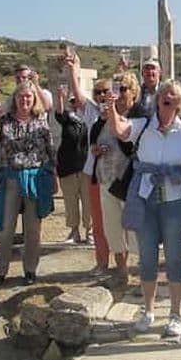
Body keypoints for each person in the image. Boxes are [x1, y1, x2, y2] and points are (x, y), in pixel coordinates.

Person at [107, 79, 181, 337]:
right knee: (147, 258)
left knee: (174, 258)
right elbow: (119, 129)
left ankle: (175, 314)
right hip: (145, 199)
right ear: (157, 100)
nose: (166, 96)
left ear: (179, 102)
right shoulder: (143, 127)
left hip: (176, 201)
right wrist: (111, 108)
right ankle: (148, 311)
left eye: (172, 94)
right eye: (163, 92)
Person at [0, 81, 56, 289]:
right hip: (11, 178)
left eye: (29, 96)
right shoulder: (5, 120)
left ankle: (30, 270)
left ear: (34, 99)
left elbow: (51, 150)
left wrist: (53, 176)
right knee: (6, 228)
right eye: (21, 96)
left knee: (33, 229)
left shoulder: (41, 121)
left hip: (35, 179)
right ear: (14, 99)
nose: (25, 100)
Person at [88, 72, 142, 286]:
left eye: (123, 89)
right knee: (112, 228)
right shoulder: (101, 120)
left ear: (133, 92)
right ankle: (121, 270)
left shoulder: (139, 116)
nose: (118, 95)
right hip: (106, 179)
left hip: (130, 180)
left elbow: (128, 141)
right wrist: (95, 150)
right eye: (115, 89)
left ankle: (141, 273)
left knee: (136, 229)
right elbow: (93, 141)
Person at [65, 53, 110, 275]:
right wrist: (74, 69)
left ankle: (122, 265)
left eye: (106, 92)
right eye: (98, 92)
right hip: (93, 173)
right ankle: (102, 263)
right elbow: (77, 94)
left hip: (115, 174)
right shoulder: (91, 110)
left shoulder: (121, 111)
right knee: (99, 223)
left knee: (118, 223)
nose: (102, 95)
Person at [54, 85, 91, 244]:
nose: (76, 103)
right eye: (73, 101)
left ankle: (90, 232)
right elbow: (59, 114)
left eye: (79, 100)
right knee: (70, 201)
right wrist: (60, 97)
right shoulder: (68, 118)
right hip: (68, 166)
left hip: (87, 166)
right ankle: (74, 232)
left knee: (88, 201)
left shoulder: (91, 117)